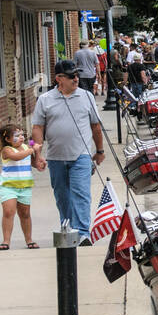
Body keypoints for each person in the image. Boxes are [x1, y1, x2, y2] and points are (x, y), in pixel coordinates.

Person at [31, 60, 104, 242]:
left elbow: (95, 126)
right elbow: (37, 128)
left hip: (82, 154)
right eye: (71, 76)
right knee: (62, 196)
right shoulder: (45, 99)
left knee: (81, 194)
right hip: (55, 157)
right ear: (59, 79)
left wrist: (100, 150)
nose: (76, 79)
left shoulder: (86, 96)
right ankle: (68, 228)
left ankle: (82, 233)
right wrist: (37, 154)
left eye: (77, 75)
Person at [0, 123, 41, 250]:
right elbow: (16, 157)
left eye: (22, 134)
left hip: (25, 186)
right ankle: (6, 241)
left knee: (25, 213)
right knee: (8, 212)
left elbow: (33, 162)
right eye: (17, 135)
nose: (21, 137)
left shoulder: (26, 147)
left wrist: (38, 156)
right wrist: (32, 149)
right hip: (9, 186)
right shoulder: (6, 150)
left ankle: (29, 239)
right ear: (7, 139)